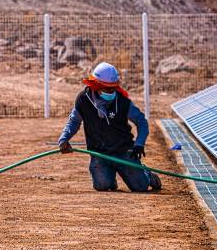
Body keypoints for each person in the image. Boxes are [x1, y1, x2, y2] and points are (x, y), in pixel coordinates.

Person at [58, 62, 162, 192]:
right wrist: (64, 139)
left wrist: (139, 144)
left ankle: (146, 174)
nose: (111, 91)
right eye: (107, 88)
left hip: (123, 151)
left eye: (114, 87)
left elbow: (142, 122)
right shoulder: (83, 100)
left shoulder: (123, 102)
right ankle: (109, 177)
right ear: (96, 85)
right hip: (99, 153)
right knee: (102, 185)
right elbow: (74, 122)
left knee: (140, 187)